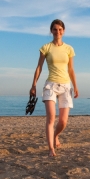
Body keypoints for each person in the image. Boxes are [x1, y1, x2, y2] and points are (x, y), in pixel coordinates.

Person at [29, 19, 79, 157]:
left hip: (65, 86)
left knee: (63, 121)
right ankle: (51, 149)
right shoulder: (46, 48)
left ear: (64, 31)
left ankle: (55, 136)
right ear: (51, 31)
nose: (58, 32)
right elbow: (39, 67)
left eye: (60, 29)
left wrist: (75, 86)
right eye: (55, 29)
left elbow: (71, 69)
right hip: (50, 85)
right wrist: (33, 84)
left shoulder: (69, 49)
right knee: (51, 118)